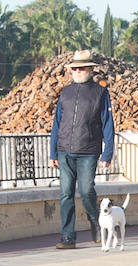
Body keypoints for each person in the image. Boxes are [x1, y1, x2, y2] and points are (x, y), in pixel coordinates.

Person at [49, 49, 114, 250]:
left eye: (81, 68)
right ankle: (68, 236)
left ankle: (96, 222)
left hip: (88, 150)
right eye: (74, 68)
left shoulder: (100, 93)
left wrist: (107, 152)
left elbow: (108, 123)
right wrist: (53, 151)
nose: (77, 71)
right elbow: (57, 123)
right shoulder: (65, 92)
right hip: (64, 151)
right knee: (66, 194)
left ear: (90, 70)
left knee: (86, 191)